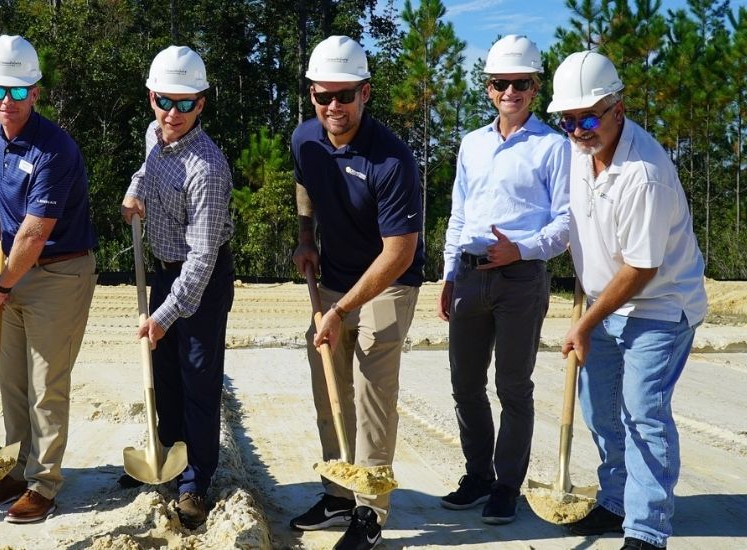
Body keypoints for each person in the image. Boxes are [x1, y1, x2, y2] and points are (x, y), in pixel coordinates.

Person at [549, 51, 707, 550]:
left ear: (618, 107)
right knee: (599, 409)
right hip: (604, 302)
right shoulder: (577, 152)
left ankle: (646, 530)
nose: (577, 130)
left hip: (660, 305)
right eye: (568, 120)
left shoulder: (645, 172)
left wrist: (583, 324)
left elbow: (641, 268)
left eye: (588, 118)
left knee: (643, 412)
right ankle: (615, 501)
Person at [287, 35, 426, 550]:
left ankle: (369, 511)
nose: (333, 107)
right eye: (323, 96)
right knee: (328, 384)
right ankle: (338, 495)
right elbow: (304, 182)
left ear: (365, 93)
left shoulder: (392, 160)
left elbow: (399, 254)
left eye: (344, 95)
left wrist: (342, 308)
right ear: (312, 94)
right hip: (335, 276)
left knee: (371, 394)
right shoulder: (305, 138)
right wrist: (306, 237)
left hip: (388, 282)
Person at [437, 35, 570, 524]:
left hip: (520, 279)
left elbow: (566, 221)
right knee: (465, 384)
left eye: (521, 83)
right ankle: (478, 476)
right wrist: (449, 275)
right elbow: (459, 214)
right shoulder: (472, 144)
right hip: (469, 275)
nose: (510, 91)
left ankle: (507, 487)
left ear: (535, 88)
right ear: (488, 88)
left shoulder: (553, 147)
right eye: (501, 83)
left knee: (513, 387)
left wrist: (522, 248)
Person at [0, 34, 98, 524]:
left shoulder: (55, 150)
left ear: (35, 93)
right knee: (13, 383)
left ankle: (43, 484)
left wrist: (0, 287)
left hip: (59, 272)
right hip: (16, 265)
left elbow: (37, 232)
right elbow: (6, 192)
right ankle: (18, 469)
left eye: (19, 91)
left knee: (46, 385)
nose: (8, 100)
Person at [119, 46, 235, 529]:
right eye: (164, 101)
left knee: (197, 383)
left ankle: (195, 481)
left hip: (202, 281)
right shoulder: (155, 134)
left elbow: (203, 259)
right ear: (151, 98)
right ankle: (164, 452)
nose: (173, 112)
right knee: (163, 372)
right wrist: (135, 191)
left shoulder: (207, 169)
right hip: (165, 270)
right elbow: (146, 169)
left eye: (185, 103)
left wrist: (164, 316)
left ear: (200, 104)